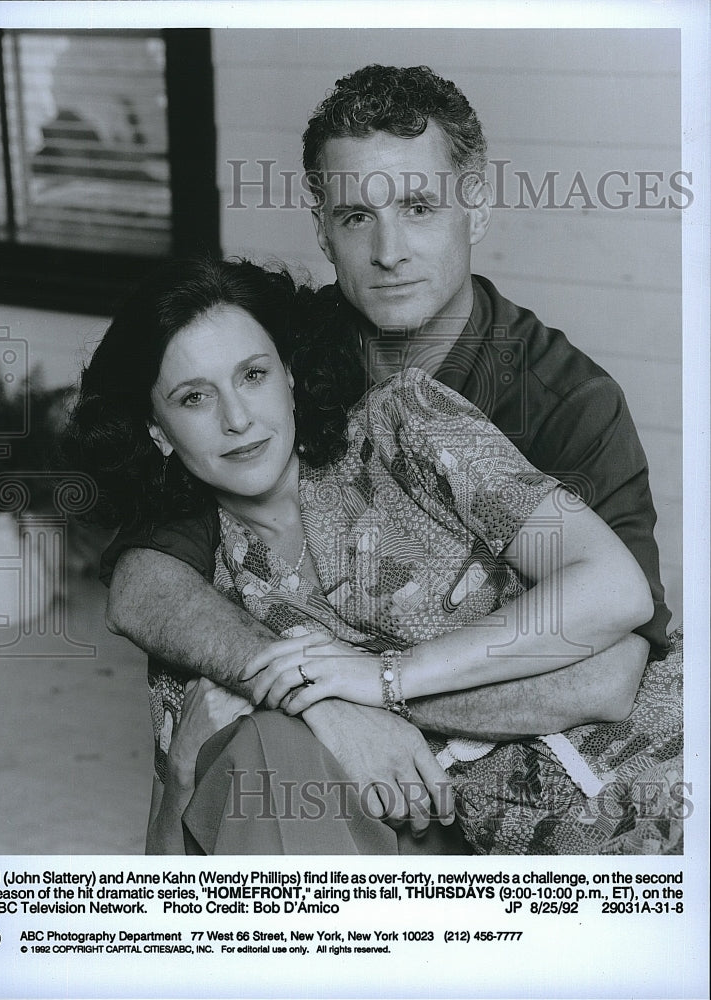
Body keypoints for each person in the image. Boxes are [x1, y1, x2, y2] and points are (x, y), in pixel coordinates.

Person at [101, 65, 672, 849]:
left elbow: (607, 670)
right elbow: (145, 587)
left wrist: (376, 693)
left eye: (419, 206)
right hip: (372, 787)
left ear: (476, 205)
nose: (389, 250)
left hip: (570, 796)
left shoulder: (561, 402)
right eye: (356, 216)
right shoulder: (270, 357)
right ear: (320, 228)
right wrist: (314, 702)